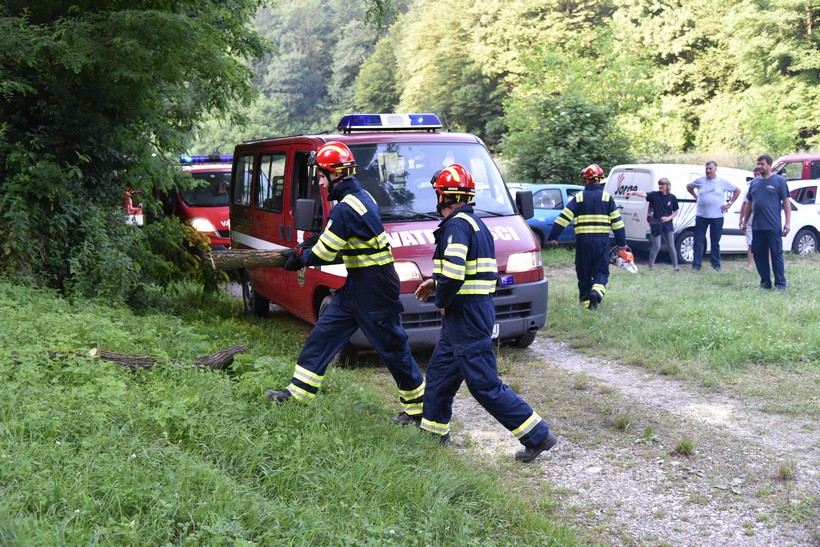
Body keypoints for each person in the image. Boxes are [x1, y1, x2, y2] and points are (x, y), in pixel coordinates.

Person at [266, 141, 426, 424]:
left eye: (321, 175)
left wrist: (299, 258)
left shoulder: (345, 209)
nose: (319, 181)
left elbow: (325, 253)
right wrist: (306, 246)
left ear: (335, 174)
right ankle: (298, 393)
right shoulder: (361, 197)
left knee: (393, 349)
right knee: (324, 333)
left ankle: (419, 410)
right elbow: (334, 236)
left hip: (375, 288)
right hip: (360, 284)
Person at [414, 164, 557, 462]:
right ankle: (431, 437)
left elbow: (454, 273)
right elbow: (467, 270)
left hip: (465, 314)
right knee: (440, 377)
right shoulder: (475, 223)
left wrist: (442, 297)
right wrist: (436, 283)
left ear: (442, 196)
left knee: (483, 384)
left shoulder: (456, 226)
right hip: (467, 313)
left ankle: (537, 435)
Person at [547, 164, 627, 309]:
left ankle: (585, 304)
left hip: (583, 242)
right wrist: (622, 243)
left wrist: (554, 236)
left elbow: (563, 217)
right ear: (600, 180)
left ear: (587, 180)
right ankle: (596, 293)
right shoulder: (607, 198)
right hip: (602, 242)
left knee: (583, 272)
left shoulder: (579, 197)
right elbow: (617, 223)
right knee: (601, 271)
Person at [740, 155, 790, 290]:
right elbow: (749, 204)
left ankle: (780, 284)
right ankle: (765, 283)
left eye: (762, 164)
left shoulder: (779, 181)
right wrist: (744, 222)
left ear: (769, 165)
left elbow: (786, 202)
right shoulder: (754, 183)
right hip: (757, 227)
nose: (759, 166)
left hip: (773, 226)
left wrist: (787, 222)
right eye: (758, 164)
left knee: (776, 255)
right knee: (759, 255)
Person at [686, 161, 741, 271]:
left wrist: (729, 204)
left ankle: (716, 265)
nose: (708, 171)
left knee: (715, 242)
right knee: (698, 241)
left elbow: (737, 190)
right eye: (706, 168)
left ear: (715, 169)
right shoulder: (700, 181)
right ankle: (696, 265)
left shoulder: (722, 182)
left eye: (710, 169)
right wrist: (696, 197)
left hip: (717, 217)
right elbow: (689, 187)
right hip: (701, 216)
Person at [625, 178, 680, 271]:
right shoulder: (655, 195)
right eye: (659, 185)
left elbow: (676, 211)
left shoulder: (672, 197)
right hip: (656, 224)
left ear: (667, 186)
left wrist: (668, 218)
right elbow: (644, 194)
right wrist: (633, 192)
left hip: (668, 224)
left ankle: (676, 267)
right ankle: (651, 267)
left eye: (662, 185)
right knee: (656, 246)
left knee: (671, 245)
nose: (660, 186)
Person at [739, 167, 764, 271]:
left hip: (763, 220)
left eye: (759, 174)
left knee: (766, 244)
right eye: (755, 175)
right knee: (750, 244)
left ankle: (769, 264)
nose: (757, 176)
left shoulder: (767, 186)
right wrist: (741, 219)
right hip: (750, 220)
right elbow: (745, 204)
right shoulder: (750, 187)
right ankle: (750, 265)